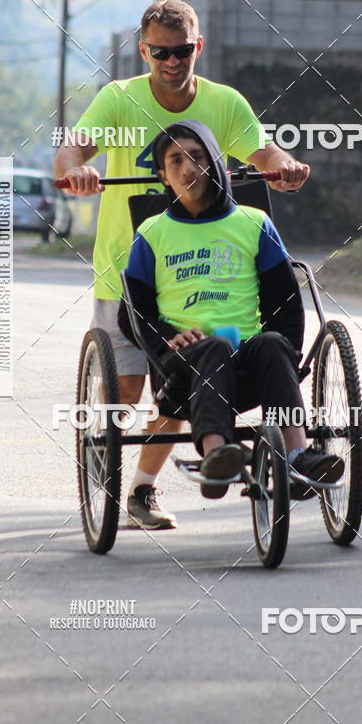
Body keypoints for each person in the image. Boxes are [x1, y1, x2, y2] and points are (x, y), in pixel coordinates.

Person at [54, 0, 311, 529]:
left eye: (182, 51)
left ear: (199, 47)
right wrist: (76, 171)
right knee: (129, 390)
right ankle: (112, 456)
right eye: (159, 53)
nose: (171, 63)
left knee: (190, 373)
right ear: (144, 51)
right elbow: (73, 149)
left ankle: (143, 489)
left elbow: (264, 155)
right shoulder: (118, 100)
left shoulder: (225, 103)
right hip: (134, 269)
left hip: (210, 274)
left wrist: (284, 166)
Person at [118, 120, 344, 512]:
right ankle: (218, 454)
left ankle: (297, 455)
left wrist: (287, 357)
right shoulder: (152, 232)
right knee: (214, 345)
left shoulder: (253, 223)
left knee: (273, 343)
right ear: (163, 176)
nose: (189, 168)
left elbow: (286, 303)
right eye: (176, 161)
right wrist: (166, 338)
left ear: (216, 164)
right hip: (183, 365)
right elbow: (133, 313)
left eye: (197, 157)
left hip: (249, 363)